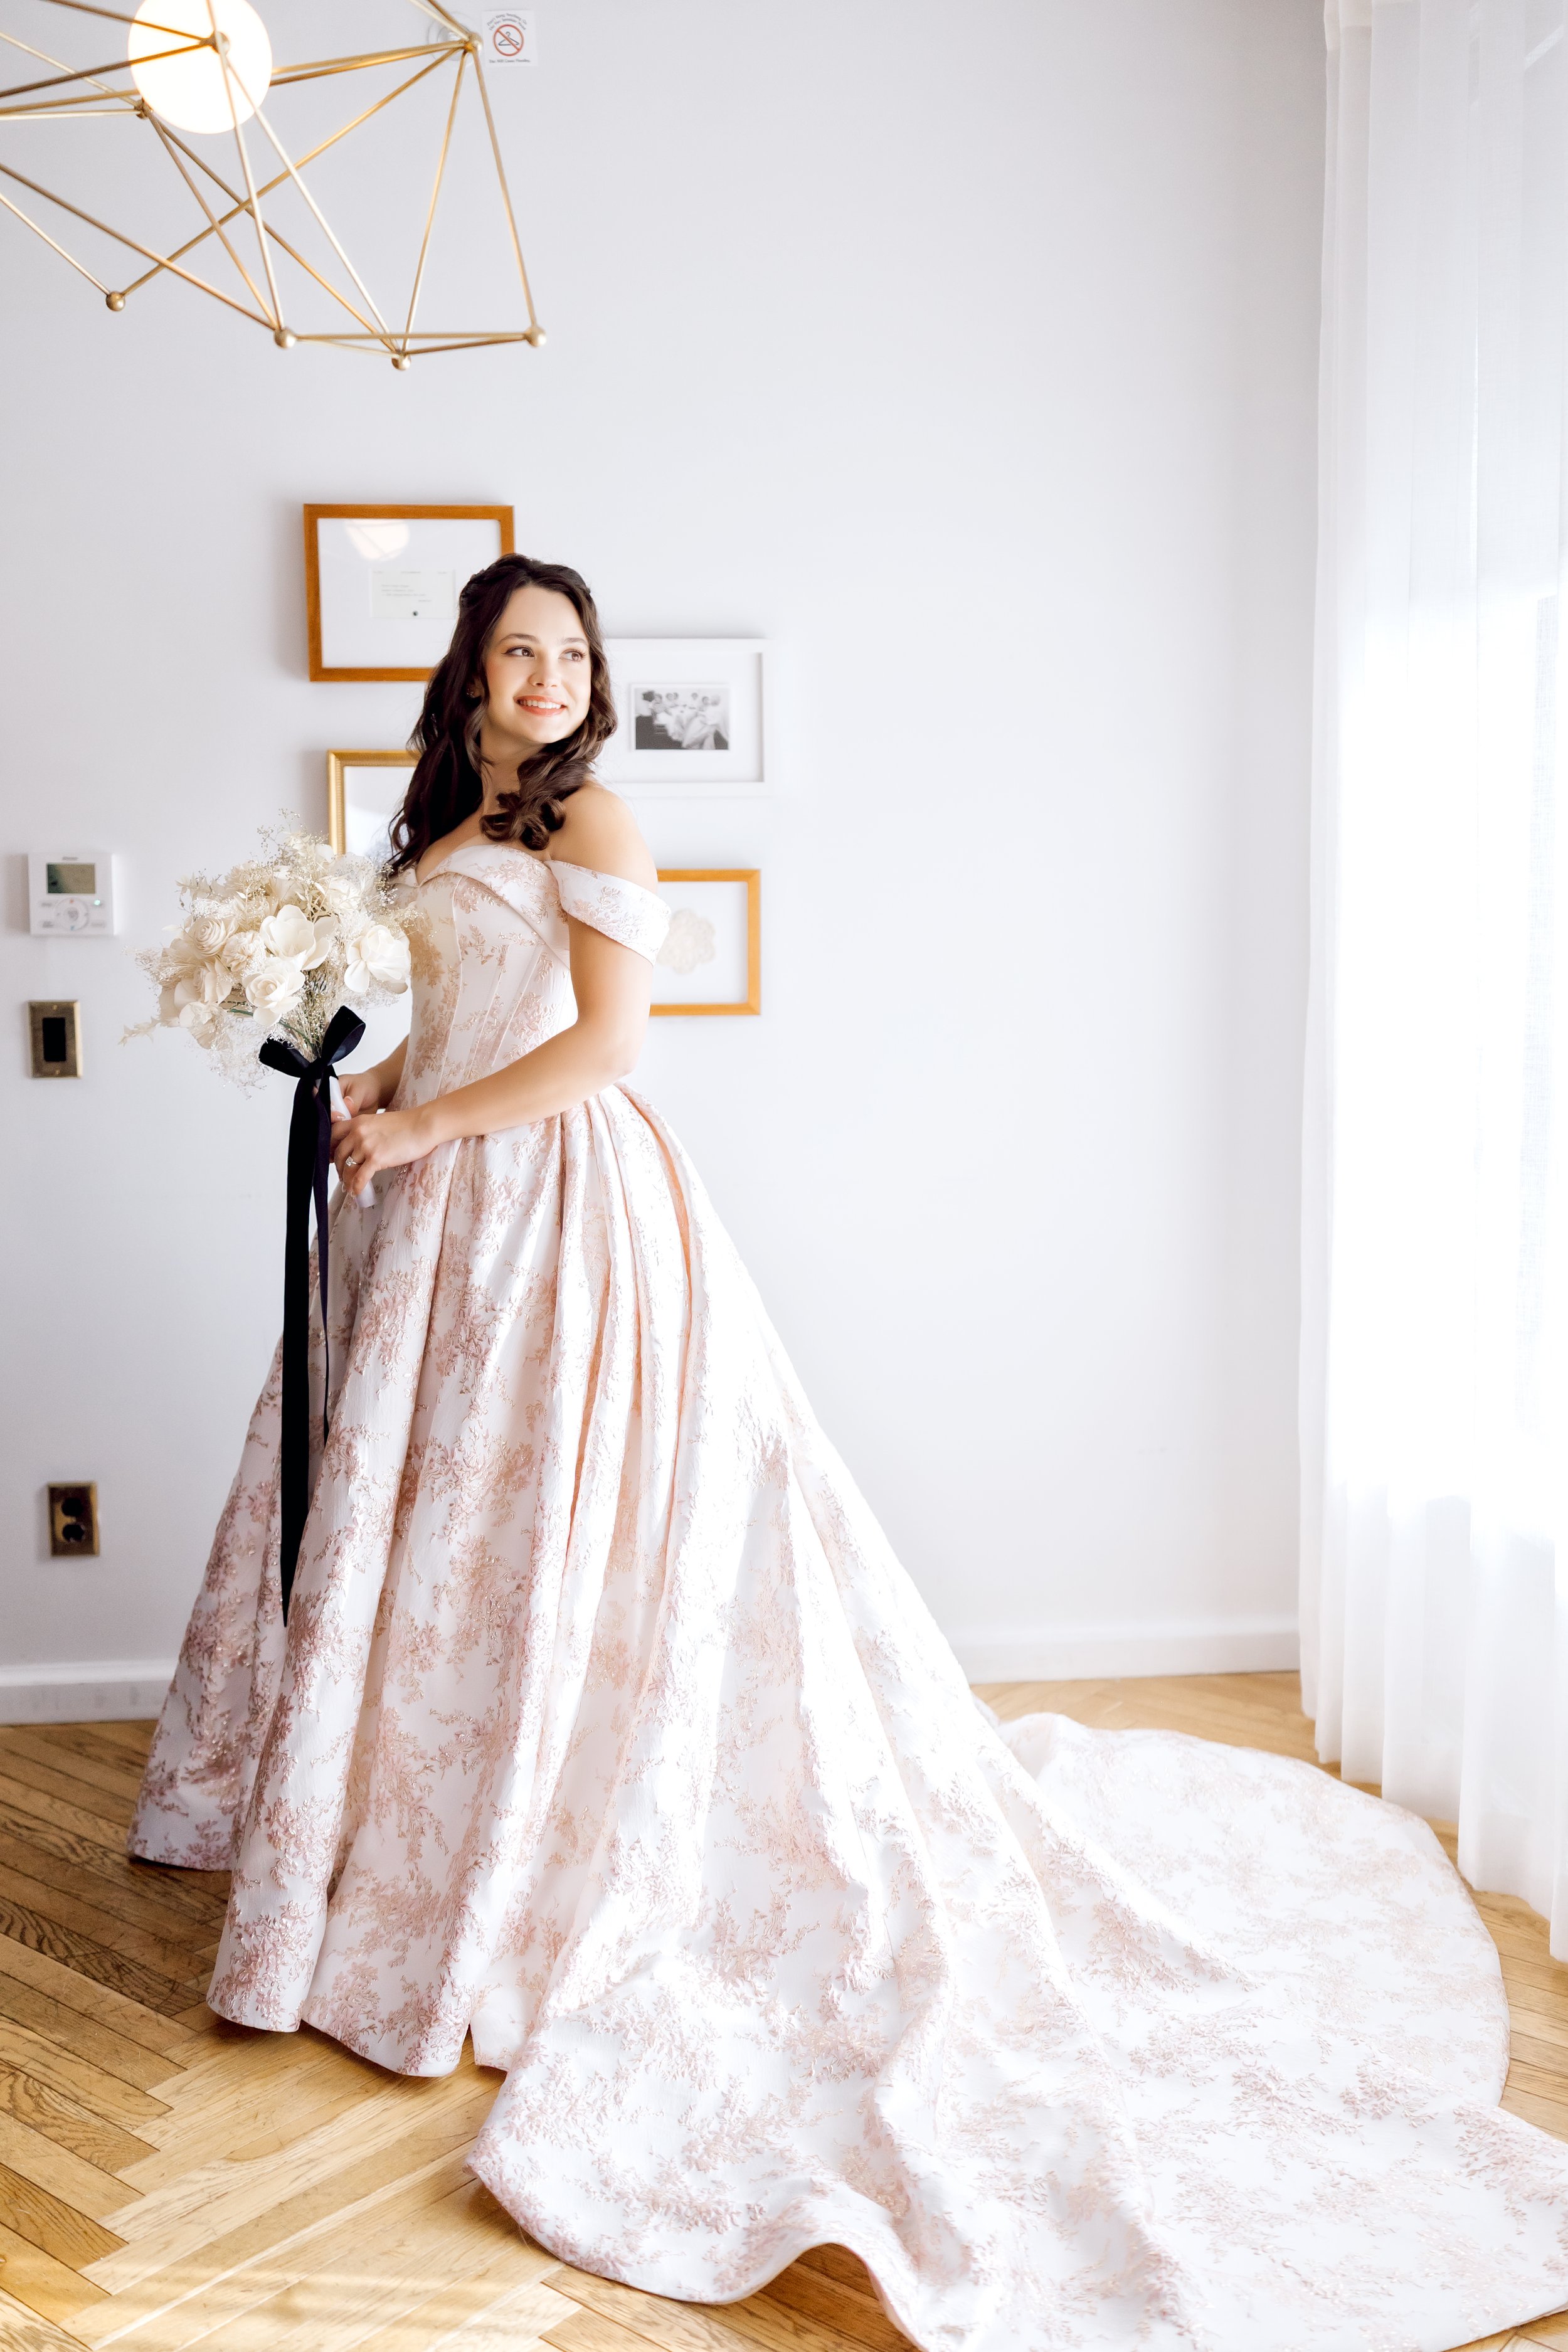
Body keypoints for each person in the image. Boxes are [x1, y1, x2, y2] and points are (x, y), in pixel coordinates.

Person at [127, 553, 1568, 2352]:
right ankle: (402, 1831)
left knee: (554, 1527)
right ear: (471, 672)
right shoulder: (438, 819)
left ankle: (528, 1858)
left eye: (571, 654)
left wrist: (431, 1133)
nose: (547, 677)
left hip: (559, 1207)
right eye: (518, 651)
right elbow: (457, 1015)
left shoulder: (608, 821)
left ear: (593, 677)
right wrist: (376, 1094)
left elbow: (603, 1046)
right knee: (436, 1537)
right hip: (438, 1204)